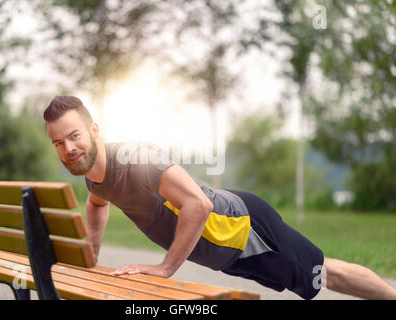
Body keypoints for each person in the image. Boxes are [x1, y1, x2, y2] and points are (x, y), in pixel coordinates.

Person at [43, 95, 396, 300]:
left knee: (324, 272)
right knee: (309, 275)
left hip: (242, 228)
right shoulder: (94, 177)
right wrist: (89, 253)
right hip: (225, 254)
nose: (68, 148)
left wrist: (165, 268)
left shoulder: (136, 158)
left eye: (74, 136)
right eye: (58, 142)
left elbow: (199, 204)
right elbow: (97, 203)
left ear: (94, 130)